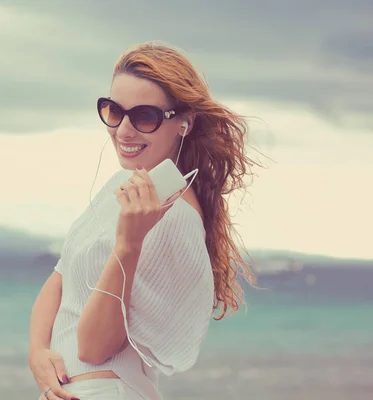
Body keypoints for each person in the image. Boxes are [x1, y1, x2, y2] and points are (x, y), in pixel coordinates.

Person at [28, 41, 257, 400]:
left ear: (183, 123)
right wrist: (38, 353)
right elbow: (60, 277)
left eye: (145, 117)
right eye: (114, 111)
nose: (123, 131)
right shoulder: (126, 186)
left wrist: (128, 243)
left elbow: (93, 347)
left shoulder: (173, 215)